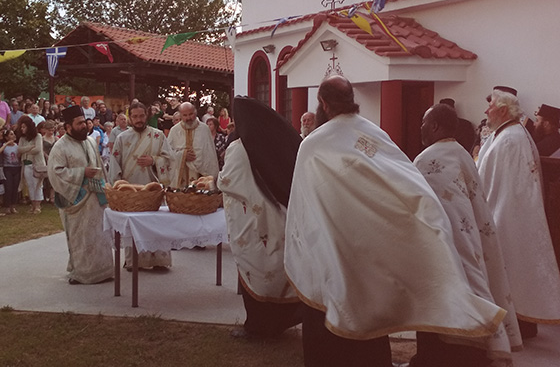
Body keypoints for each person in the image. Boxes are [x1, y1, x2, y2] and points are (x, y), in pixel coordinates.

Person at [285, 75, 505, 367]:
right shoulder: (374, 133)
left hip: (329, 249)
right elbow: (407, 183)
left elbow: (304, 203)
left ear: (323, 103)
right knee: (368, 315)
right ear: (352, 99)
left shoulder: (313, 144)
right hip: (368, 249)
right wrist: (427, 223)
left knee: (332, 325)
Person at [413, 104, 521, 366]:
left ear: (435, 126)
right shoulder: (461, 154)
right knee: (474, 286)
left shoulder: (427, 160)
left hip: (442, 248)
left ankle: (435, 357)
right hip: (471, 243)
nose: (421, 128)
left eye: (424, 122)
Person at [477, 88, 560, 339]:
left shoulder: (511, 140)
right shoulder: (507, 133)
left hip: (508, 216)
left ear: (503, 110)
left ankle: (518, 326)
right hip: (505, 212)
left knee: (512, 271)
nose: (486, 111)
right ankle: (518, 325)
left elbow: (502, 185)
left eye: (490, 106)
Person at [218, 96, 303, 339]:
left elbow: (228, 180)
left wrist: (215, 181)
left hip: (251, 223)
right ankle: (280, 321)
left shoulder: (239, 148)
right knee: (275, 268)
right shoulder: (275, 141)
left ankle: (258, 327)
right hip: (278, 216)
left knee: (254, 269)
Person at [47, 106, 114, 285]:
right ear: (68, 127)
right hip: (76, 200)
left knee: (100, 235)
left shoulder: (90, 141)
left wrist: (107, 187)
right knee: (81, 238)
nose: (84, 126)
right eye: (79, 124)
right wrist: (82, 172)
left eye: (84, 122)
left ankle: (104, 270)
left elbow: (100, 165)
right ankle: (82, 273)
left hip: (96, 198)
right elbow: (55, 173)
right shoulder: (59, 147)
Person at [109, 103, 173, 270]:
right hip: (130, 191)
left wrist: (154, 161)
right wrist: (117, 187)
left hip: (153, 190)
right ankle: (134, 261)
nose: (138, 120)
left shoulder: (158, 136)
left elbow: (170, 159)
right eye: (135, 116)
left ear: (147, 116)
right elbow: (114, 163)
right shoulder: (122, 138)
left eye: (141, 116)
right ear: (130, 118)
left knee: (157, 224)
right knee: (132, 226)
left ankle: (159, 260)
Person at [167, 102, 219, 188]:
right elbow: (168, 154)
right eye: (185, 115)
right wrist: (183, 155)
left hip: (201, 176)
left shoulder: (204, 129)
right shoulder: (174, 131)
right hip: (181, 179)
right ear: (180, 115)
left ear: (195, 112)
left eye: (191, 114)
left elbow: (210, 155)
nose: (188, 118)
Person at [17, 116, 46, 214]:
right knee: (30, 185)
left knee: (37, 185)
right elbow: (19, 149)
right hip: (26, 164)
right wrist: (30, 147)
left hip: (36, 164)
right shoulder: (22, 138)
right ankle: (33, 205)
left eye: (24, 127)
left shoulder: (38, 136)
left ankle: (37, 206)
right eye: (21, 127)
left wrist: (26, 150)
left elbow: (37, 149)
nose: (22, 129)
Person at [1, 128, 21, 214]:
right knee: (8, 187)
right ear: (6, 137)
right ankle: (7, 206)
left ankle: (13, 206)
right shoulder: (4, 146)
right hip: (7, 168)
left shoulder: (17, 146)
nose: (13, 136)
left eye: (13, 134)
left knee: (15, 187)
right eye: (11, 134)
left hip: (17, 167)